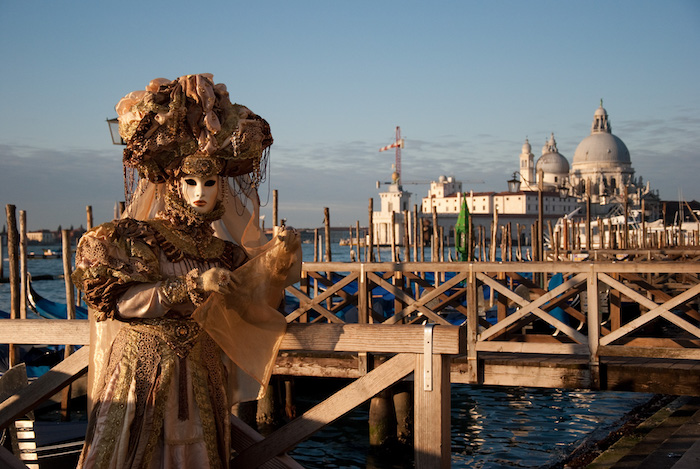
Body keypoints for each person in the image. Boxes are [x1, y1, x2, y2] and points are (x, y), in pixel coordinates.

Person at [72, 74, 300, 468]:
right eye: (190, 182)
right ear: (173, 185)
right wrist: (190, 285)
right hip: (141, 373)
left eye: (209, 182)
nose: (200, 193)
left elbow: (253, 301)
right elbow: (122, 305)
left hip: (202, 373)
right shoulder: (137, 239)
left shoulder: (223, 253)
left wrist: (282, 254)